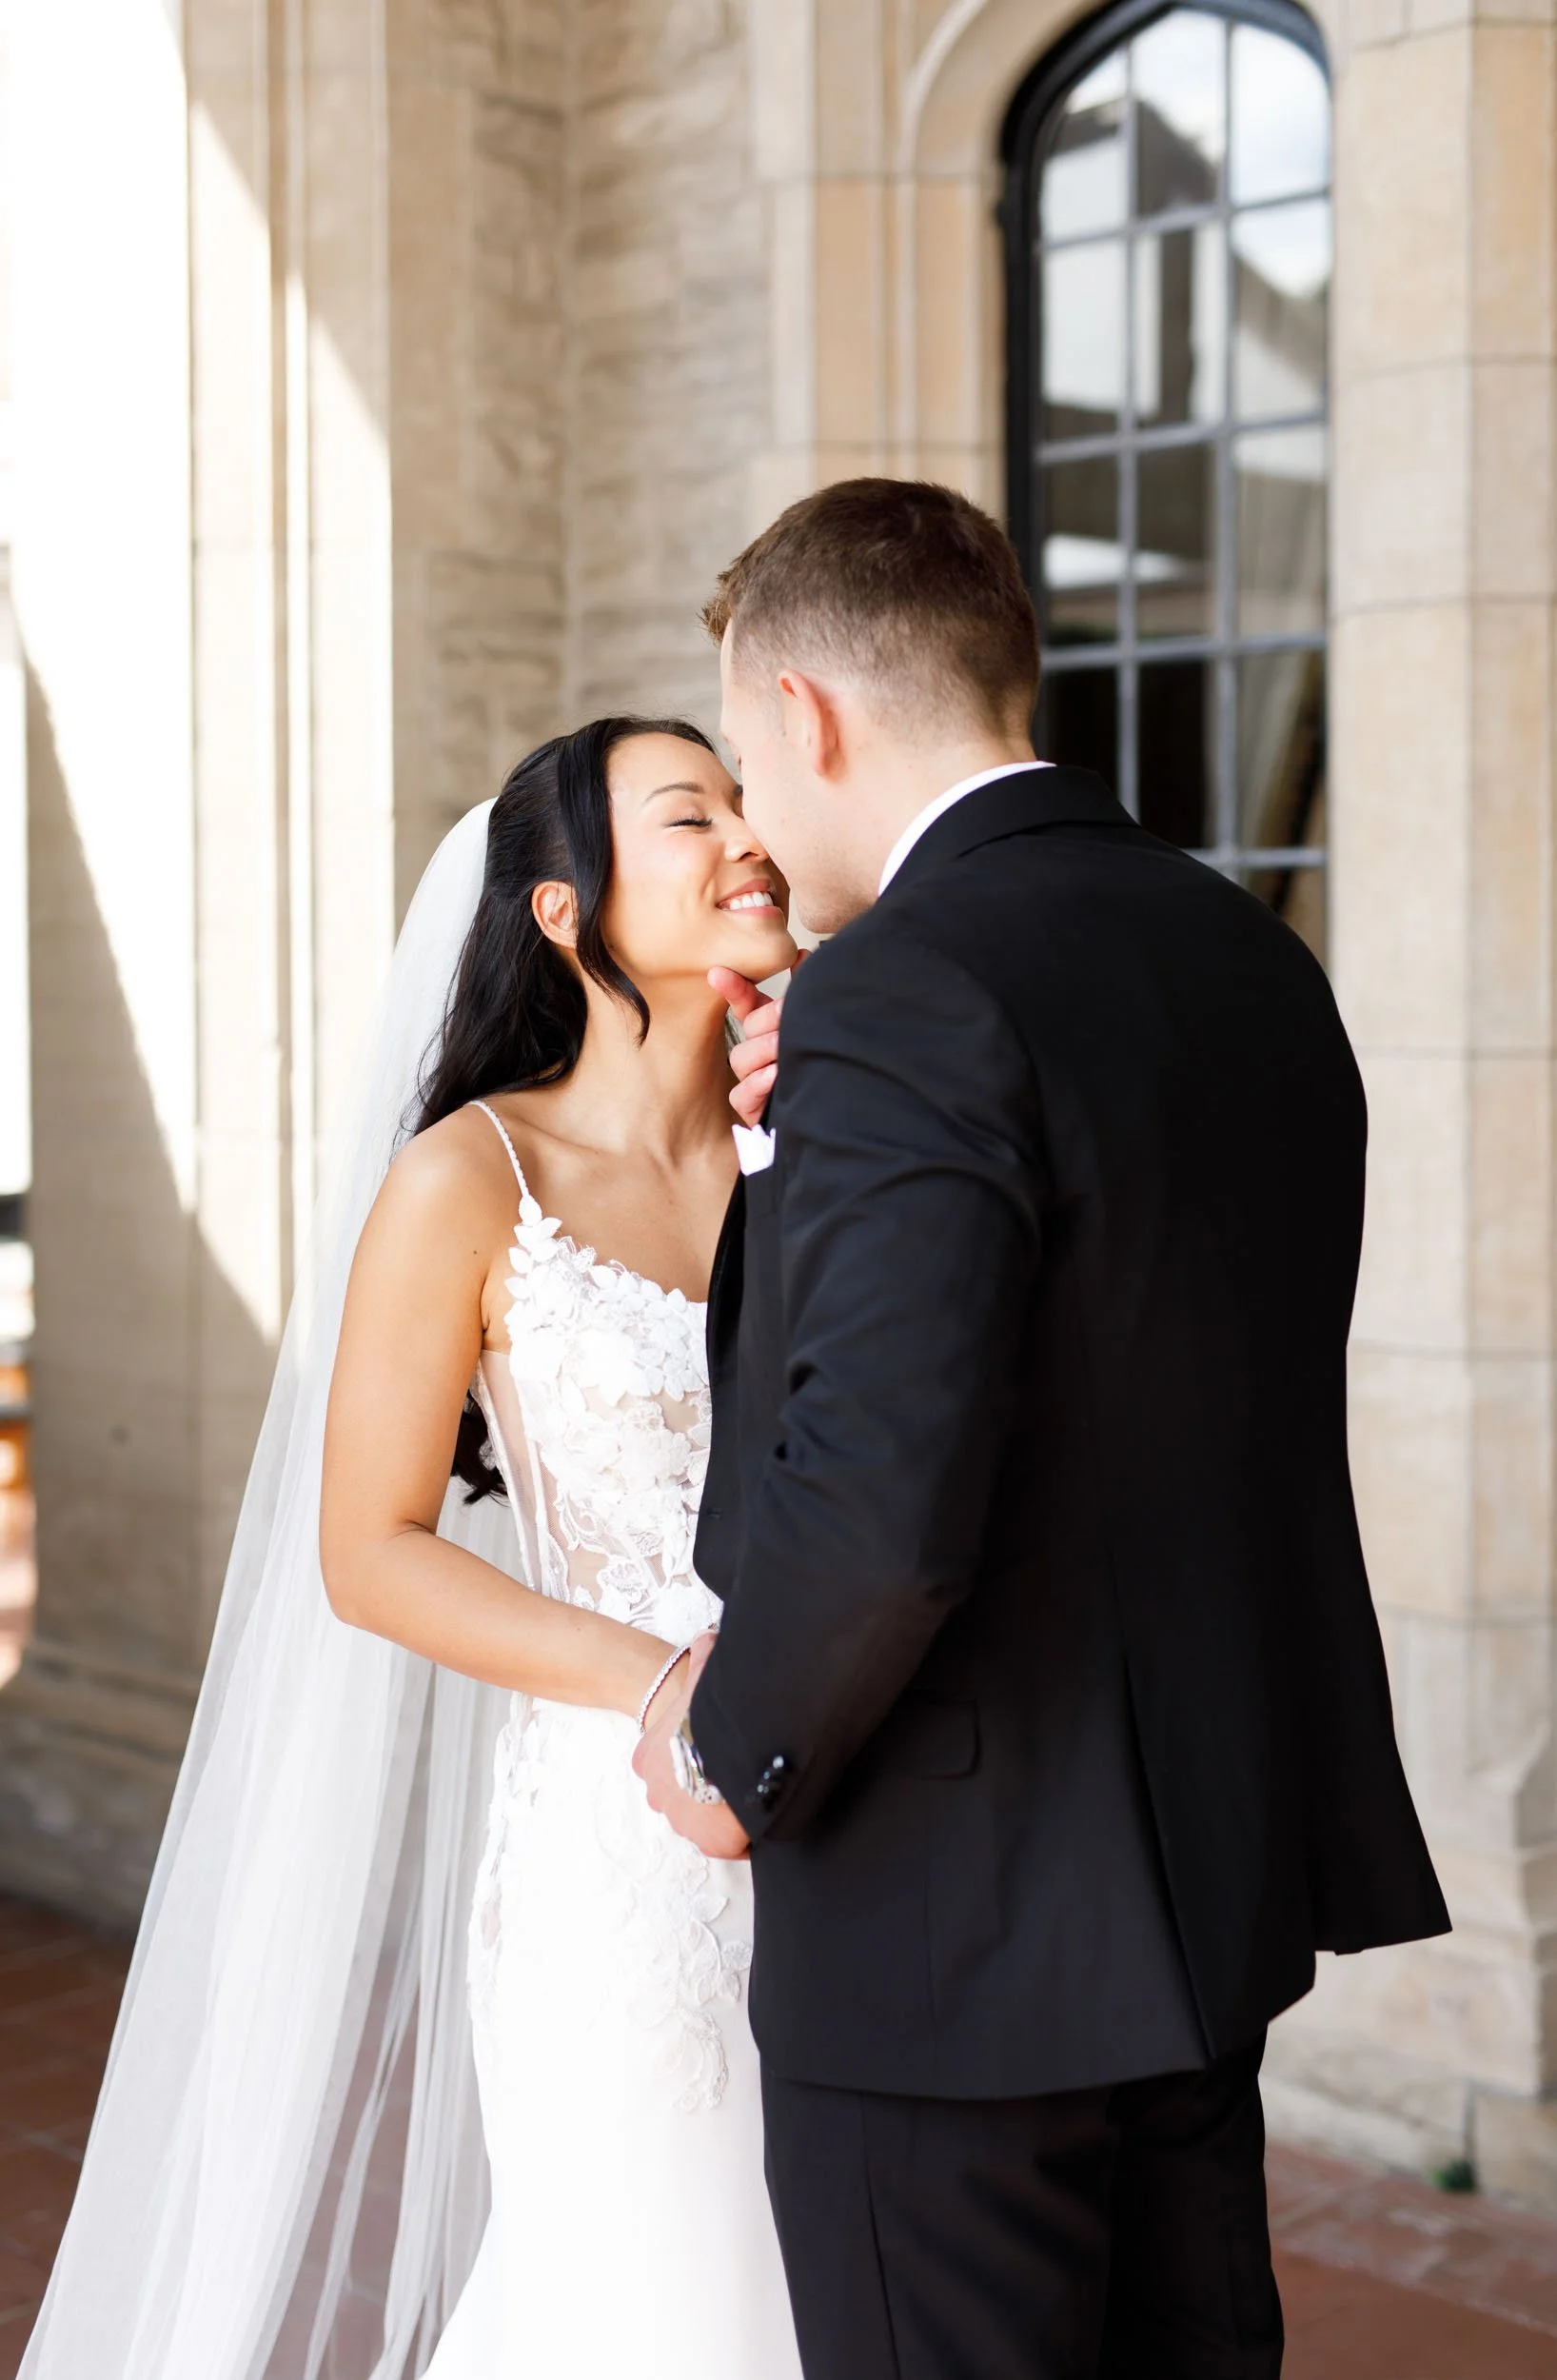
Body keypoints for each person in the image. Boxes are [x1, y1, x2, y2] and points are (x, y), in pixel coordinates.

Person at [638, 478, 1452, 2380]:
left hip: (952, 1927)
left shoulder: (909, 991)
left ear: (808, 715)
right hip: (1198, 1868)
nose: (751, 812)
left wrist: (732, 1745)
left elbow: (877, 1490)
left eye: (745, 754)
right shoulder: (1246, 957)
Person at [19, 718, 803, 2380]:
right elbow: (369, 1550)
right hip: (618, 1858)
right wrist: (665, 1685)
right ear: (564, 909)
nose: (749, 837)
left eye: (746, 803)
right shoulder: (471, 1176)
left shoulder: (802, 1153)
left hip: (844, 1827)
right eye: (690, 816)